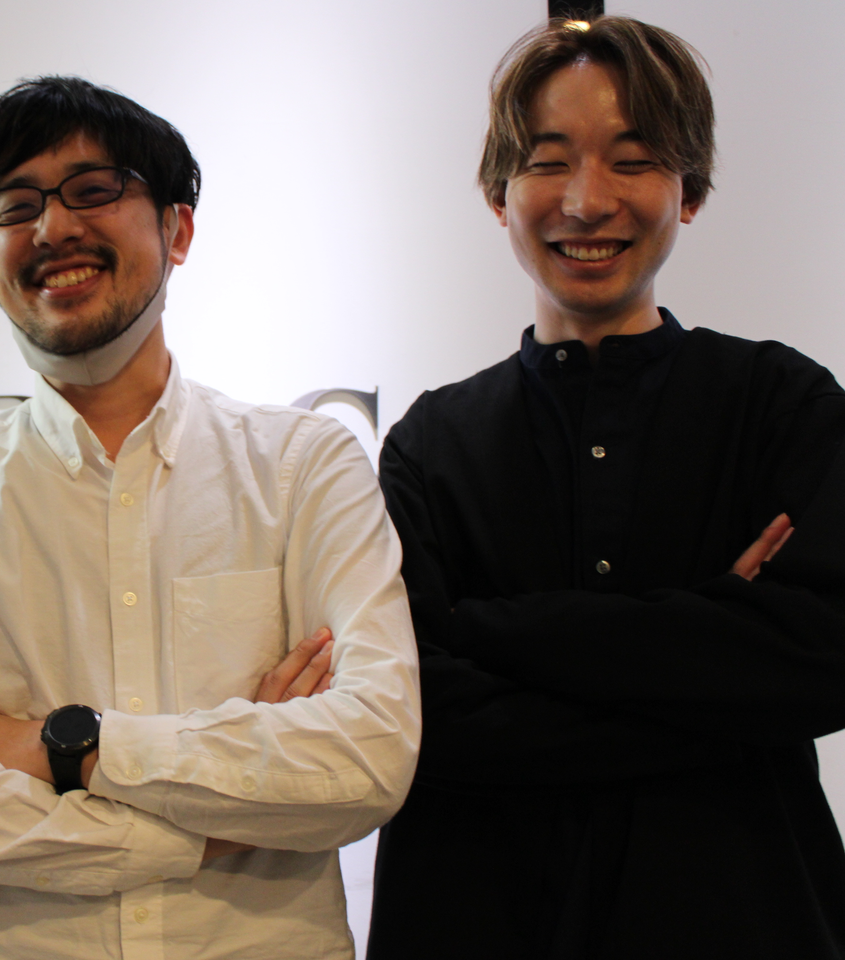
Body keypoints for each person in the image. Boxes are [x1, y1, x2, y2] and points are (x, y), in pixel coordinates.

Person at [0, 76, 420, 960]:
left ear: (178, 229)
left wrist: (65, 749)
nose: (51, 228)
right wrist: (217, 811)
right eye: (16, 205)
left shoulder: (304, 467)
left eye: (93, 190)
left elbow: (367, 758)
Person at [367, 16, 845, 959]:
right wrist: (715, 659)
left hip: (743, 916)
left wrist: (490, 629)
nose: (587, 201)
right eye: (549, 162)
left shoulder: (782, 404)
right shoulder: (429, 445)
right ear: (498, 194)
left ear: (689, 190)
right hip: (478, 919)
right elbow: (417, 715)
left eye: (633, 161)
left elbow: (824, 659)